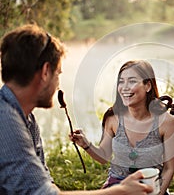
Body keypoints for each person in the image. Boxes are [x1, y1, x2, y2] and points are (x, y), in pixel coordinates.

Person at [0, 24, 153, 195]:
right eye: (58, 73)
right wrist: (120, 192)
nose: (58, 82)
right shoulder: (5, 119)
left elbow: (45, 183)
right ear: (45, 72)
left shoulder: (27, 121)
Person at [70, 60, 174, 195]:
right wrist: (85, 144)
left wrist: (157, 193)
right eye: (121, 82)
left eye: (132, 81)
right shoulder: (112, 118)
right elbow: (104, 156)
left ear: (148, 86)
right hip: (117, 187)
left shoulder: (167, 122)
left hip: (151, 188)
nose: (124, 87)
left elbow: (169, 169)